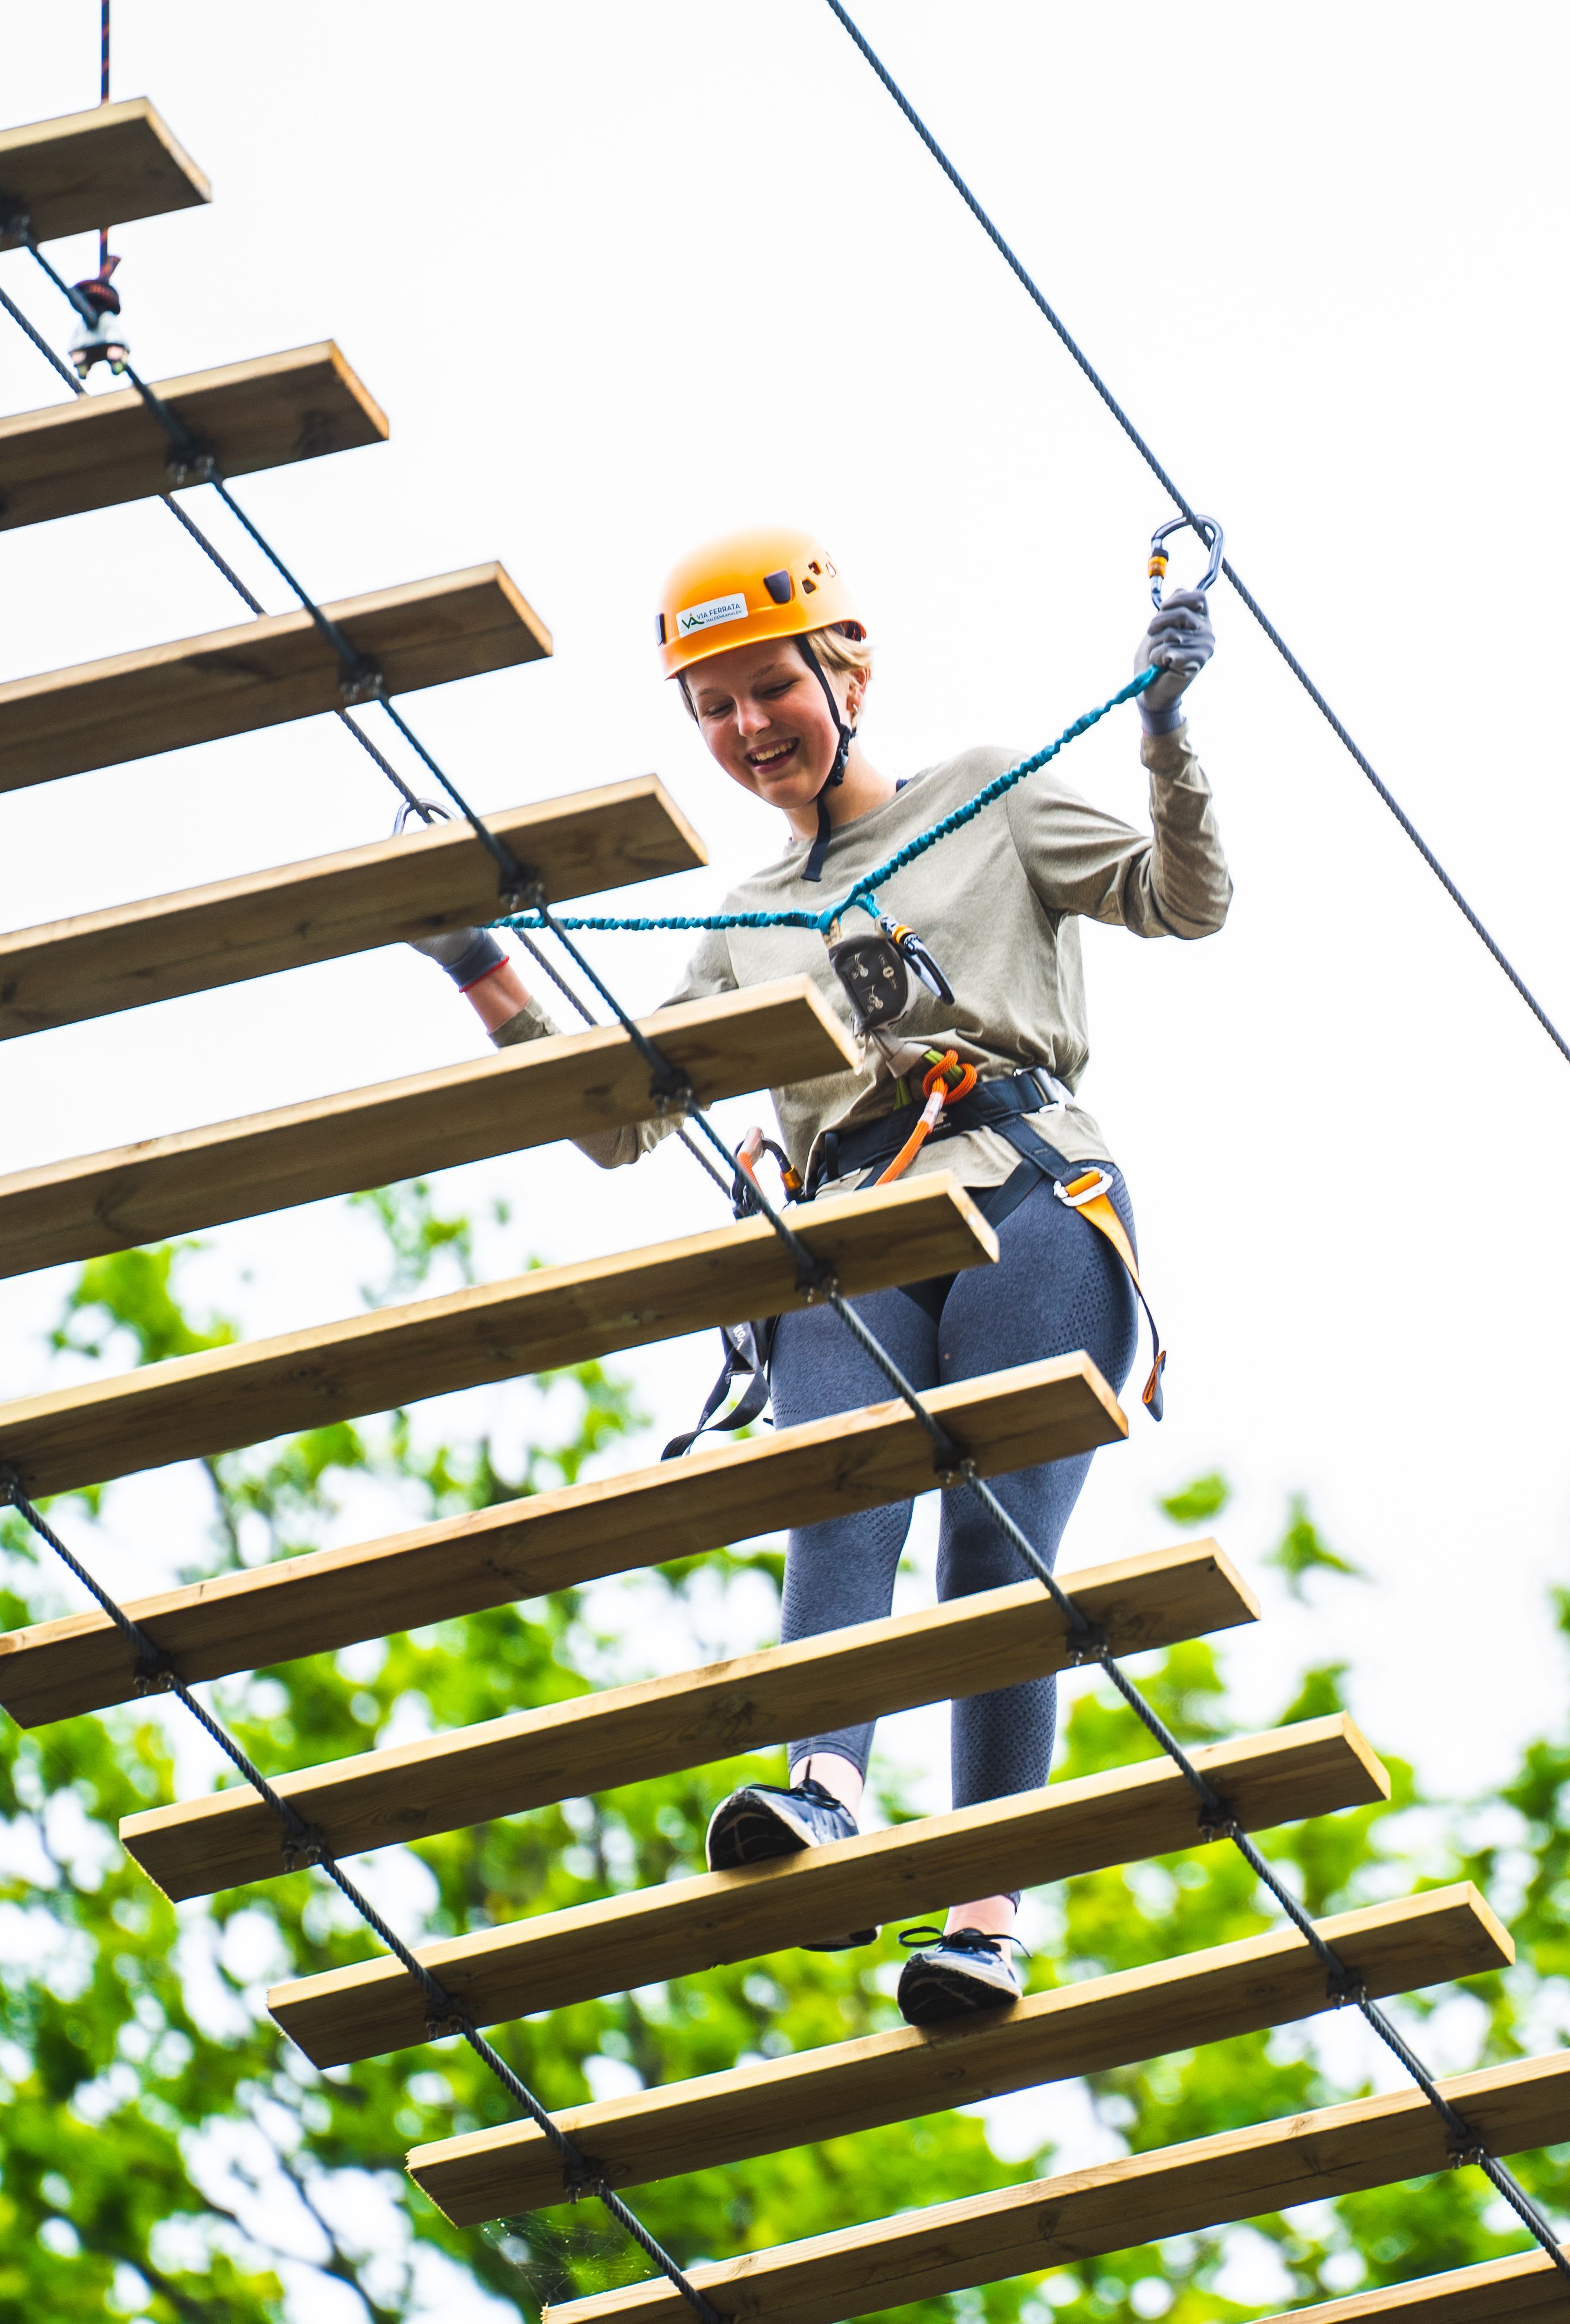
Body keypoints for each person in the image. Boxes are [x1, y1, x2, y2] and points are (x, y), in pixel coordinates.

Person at [402, 526, 1228, 2024]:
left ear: (842, 670)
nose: (743, 731)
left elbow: (1185, 901)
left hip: (1029, 1189)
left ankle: (985, 1914)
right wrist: (483, 970)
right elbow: (618, 1127)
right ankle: (824, 1786)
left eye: (766, 689)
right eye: (709, 710)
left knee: (994, 1549)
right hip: (853, 1224)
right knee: (840, 1476)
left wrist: (1166, 732)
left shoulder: (987, 798)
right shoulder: (740, 924)